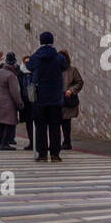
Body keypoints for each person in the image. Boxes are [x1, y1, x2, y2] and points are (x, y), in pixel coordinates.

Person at [29, 32, 67, 162]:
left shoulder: (35, 57)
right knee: (55, 126)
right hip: (55, 97)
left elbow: (28, 67)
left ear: (40, 41)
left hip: (39, 97)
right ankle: (55, 154)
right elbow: (65, 66)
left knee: (40, 127)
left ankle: (43, 154)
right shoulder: (59, 57)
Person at [0, 53, 23, 150]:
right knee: (9, 123)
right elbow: (15, 92)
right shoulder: (11, 76)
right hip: (8, 103)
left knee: (0, 123)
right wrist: (19, 103)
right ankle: (4, 143)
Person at [58, 50, 84, 151]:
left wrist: (71, 90)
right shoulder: (54, 69)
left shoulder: (72, 70)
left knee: (66, 122)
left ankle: (67, 142)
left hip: (67, 99)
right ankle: (57, 142)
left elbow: (79, 82)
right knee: (56, 122)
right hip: (56, 98)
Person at [17, 55, 35, 150]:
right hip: (25, 101)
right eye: (25, 62)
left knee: (37, 123)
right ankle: (32, 142)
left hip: (35, 101)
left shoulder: (35, 72)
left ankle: (38, 143)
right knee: (28, 123)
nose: (27, 64)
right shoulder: (20, 73)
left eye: (29, 62)